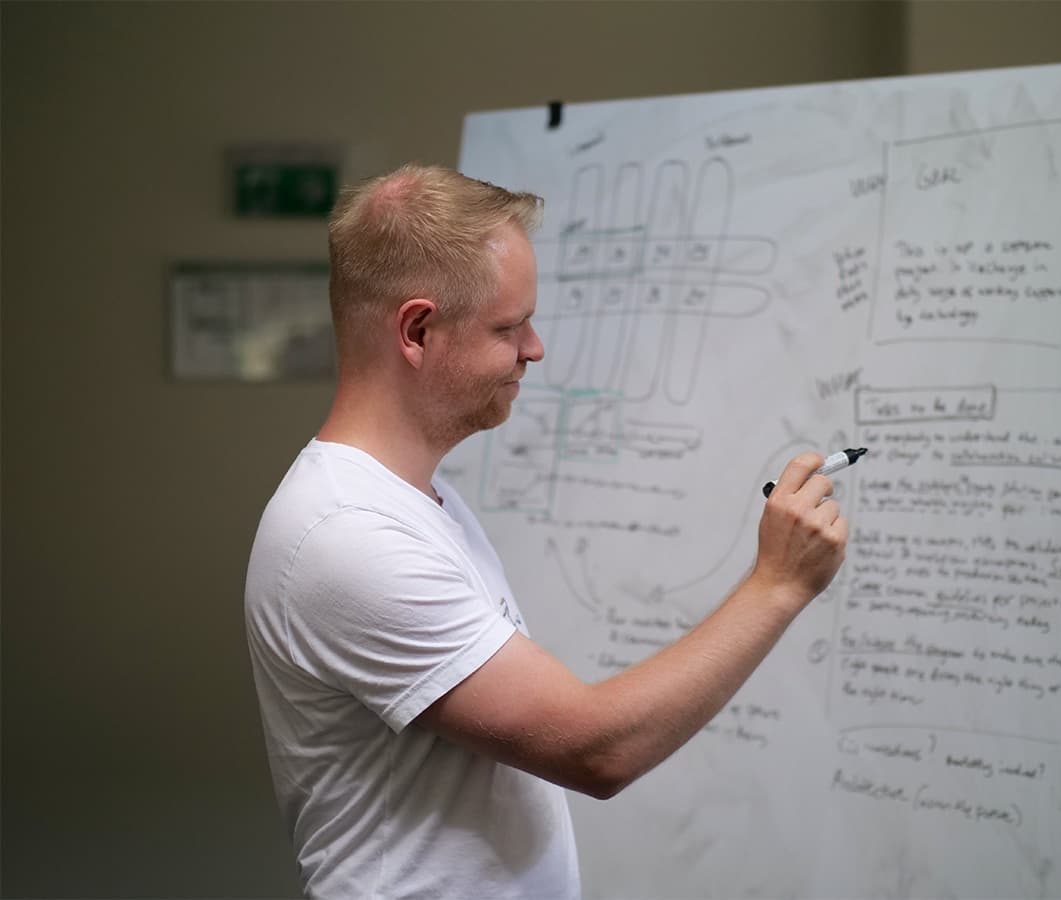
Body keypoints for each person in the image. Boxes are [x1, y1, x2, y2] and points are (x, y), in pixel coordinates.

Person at [244, 163, 849, 899]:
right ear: (418, 330)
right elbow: (597, 750)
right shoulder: (349, 537)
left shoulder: (419, 500)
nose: (534, 348)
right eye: (508, 327)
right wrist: (778, 585)